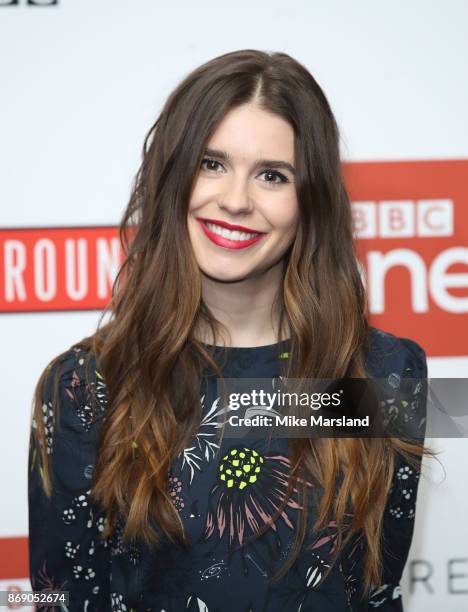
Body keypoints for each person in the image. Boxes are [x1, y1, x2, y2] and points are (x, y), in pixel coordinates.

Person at [28, 49, 431, 611]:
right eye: (212, 164)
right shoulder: (87, 385)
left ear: (308, 201)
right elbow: (64, 599)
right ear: (171, 177)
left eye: (272, 175)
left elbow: (374, 590)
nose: (236, 201)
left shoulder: (381, 374)